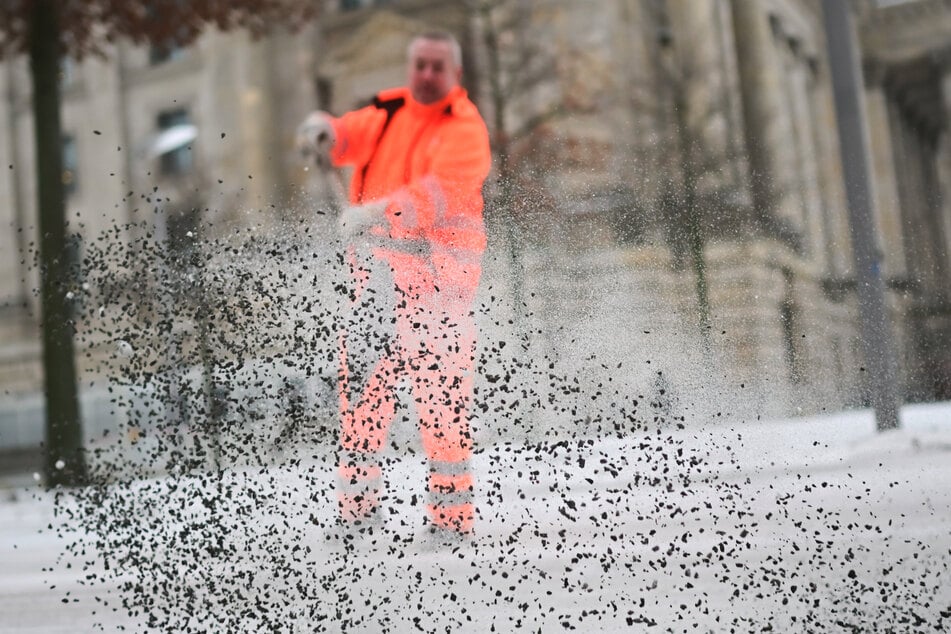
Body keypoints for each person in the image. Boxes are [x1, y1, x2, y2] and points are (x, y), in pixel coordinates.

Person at [297, 31, 491, 539]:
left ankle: (452, 520)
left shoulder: (464, 129)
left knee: (442, 407)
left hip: (439, 293)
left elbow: (439, 193)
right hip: (379, 285)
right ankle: (356, 514)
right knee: (360, 399)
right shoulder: (387, 114)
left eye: (437, 67)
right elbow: (347, 134)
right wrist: (324, 132)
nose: (427, 75)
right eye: (420, 65)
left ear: (455, 74)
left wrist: (379, 211)